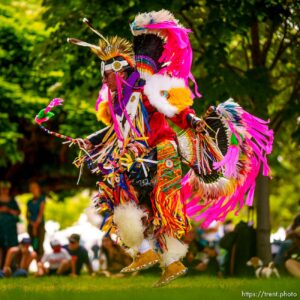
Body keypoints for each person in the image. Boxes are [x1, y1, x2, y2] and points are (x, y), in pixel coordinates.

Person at [36, 9, 273, 287]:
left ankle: (172, 262)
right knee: (119, 195)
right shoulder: (117, 103)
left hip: (163, 152)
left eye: (107, 73)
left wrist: (192, 119)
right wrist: (92, 140)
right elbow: (116, 129)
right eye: (102, 73)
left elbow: (172, 109)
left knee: (163, 205)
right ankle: (144, 251)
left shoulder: (146, 88)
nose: (104, 79)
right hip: (137, 155)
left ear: (119, 71)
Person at [0, 181, 20, 268]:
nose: (4, 191)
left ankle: (8, 267)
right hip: (1, 228)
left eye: (6, 189)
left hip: (10, 228)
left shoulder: (12, 201)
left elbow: (18, 212)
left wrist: (8, 210)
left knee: (11, 246)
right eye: (3, 189)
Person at [27, 181, 46, 260]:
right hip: (31, 225)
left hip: (39, 224)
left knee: (40, 244)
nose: (33, 189)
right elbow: (27, 215)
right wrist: (32, 224)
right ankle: (37, 262)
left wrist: (36, 225)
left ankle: (40, 263)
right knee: (33, 244)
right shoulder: (29, 202)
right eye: (31, 188)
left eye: (34, 187)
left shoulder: (42, 199)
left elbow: (41, 213)